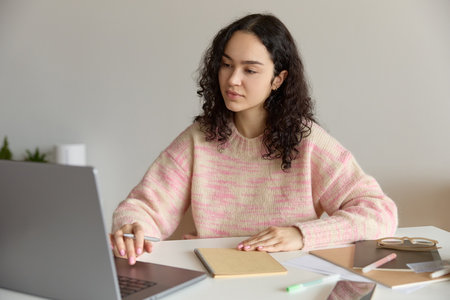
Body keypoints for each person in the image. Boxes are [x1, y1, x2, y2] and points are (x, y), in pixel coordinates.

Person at [111, 13, 398, 265]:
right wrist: (133, 228)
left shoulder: (308, 142)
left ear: (278, 79)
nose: (232, 80)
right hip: (215, 280)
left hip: (290, 282)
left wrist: (301, 234)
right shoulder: (198, 139)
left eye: (249, 70)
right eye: (226, 65)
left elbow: (380, 214)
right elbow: (143, 207)